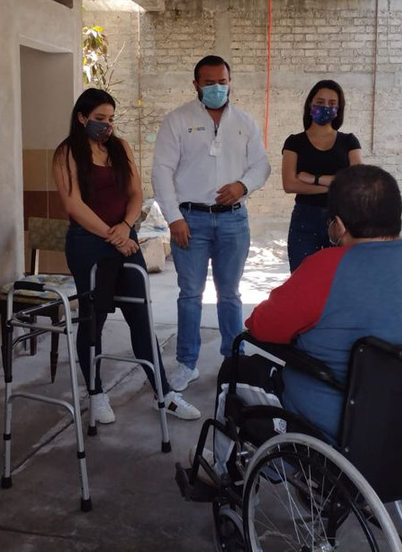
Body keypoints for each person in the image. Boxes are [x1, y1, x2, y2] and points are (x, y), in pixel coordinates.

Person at [245, 165, 402, 443]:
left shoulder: (325, 267)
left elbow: (261, 326)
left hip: (347, 427)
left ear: (338, 225)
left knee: (240, 368)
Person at [53, 88, 200, 424]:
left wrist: (125, 227)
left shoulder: (120, 147)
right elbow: (73, 204)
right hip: (88, 244)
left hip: (125, 239)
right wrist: (112, 235)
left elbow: (136, 193)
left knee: (140, 316)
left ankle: (164, 393)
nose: (106, 125)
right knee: (93, 319)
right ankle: (96, 393)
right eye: (99, 118)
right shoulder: (67, 152)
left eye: (110, 119)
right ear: (82, 117)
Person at [151, 55, 271, 392]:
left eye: (222, 82)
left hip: (233, 221)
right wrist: (174, 218)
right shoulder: (178, 120)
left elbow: (261, 165)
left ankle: (234, 362)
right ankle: (186, 363)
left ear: (230, 82)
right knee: (190, 294)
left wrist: (243, 186)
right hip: (190, 221)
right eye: (209, 83)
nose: (217, 88)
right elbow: (161, 170)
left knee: (230, 294)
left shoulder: (244, 122)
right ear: (196, 85)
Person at [281, 80, 362, 271]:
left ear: (339, 109)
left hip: (341, 219)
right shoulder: (294, 142)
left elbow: (357, 181)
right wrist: (336, 185)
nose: (326, 107)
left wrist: (314, 179)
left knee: (338, 278)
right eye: (320, 102)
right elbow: (289, 184)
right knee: (303, 278)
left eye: (332, 104)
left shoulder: (349, 141)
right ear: (310, 104)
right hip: (304, 218)